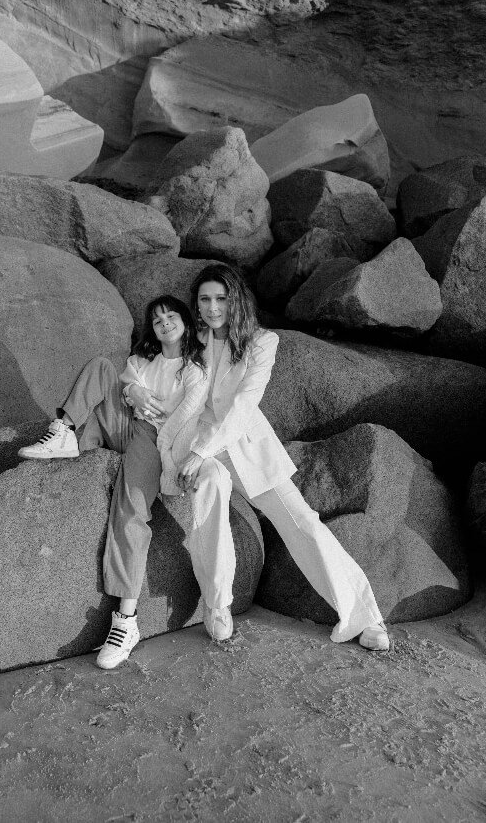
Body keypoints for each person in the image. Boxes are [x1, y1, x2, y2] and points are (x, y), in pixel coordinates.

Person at [166, 263, 390, 651]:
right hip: (195, 447)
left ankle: (364, 617)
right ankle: (218, 608)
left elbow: (243, 403)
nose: (213, 307)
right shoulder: (190, 338)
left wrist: (201, 451)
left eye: (221, 298)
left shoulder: (262, 342)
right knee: (210, 510)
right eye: (205, 299)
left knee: (303, 523)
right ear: (196, 303)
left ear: (235, 299)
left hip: (245, 447)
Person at [18, 295, 209, 668]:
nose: (165, 323)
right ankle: (65, 431)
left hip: (155, 439)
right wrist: (130, 390)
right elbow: (123, 379)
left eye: (171, 316)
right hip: (125, 425)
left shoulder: (194, 371)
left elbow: (183, 418)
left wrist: (172, 459)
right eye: (157, 320)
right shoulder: (142, 361)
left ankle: (126, 621)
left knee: (129, 512)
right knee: (102, 365)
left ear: (185, 321)